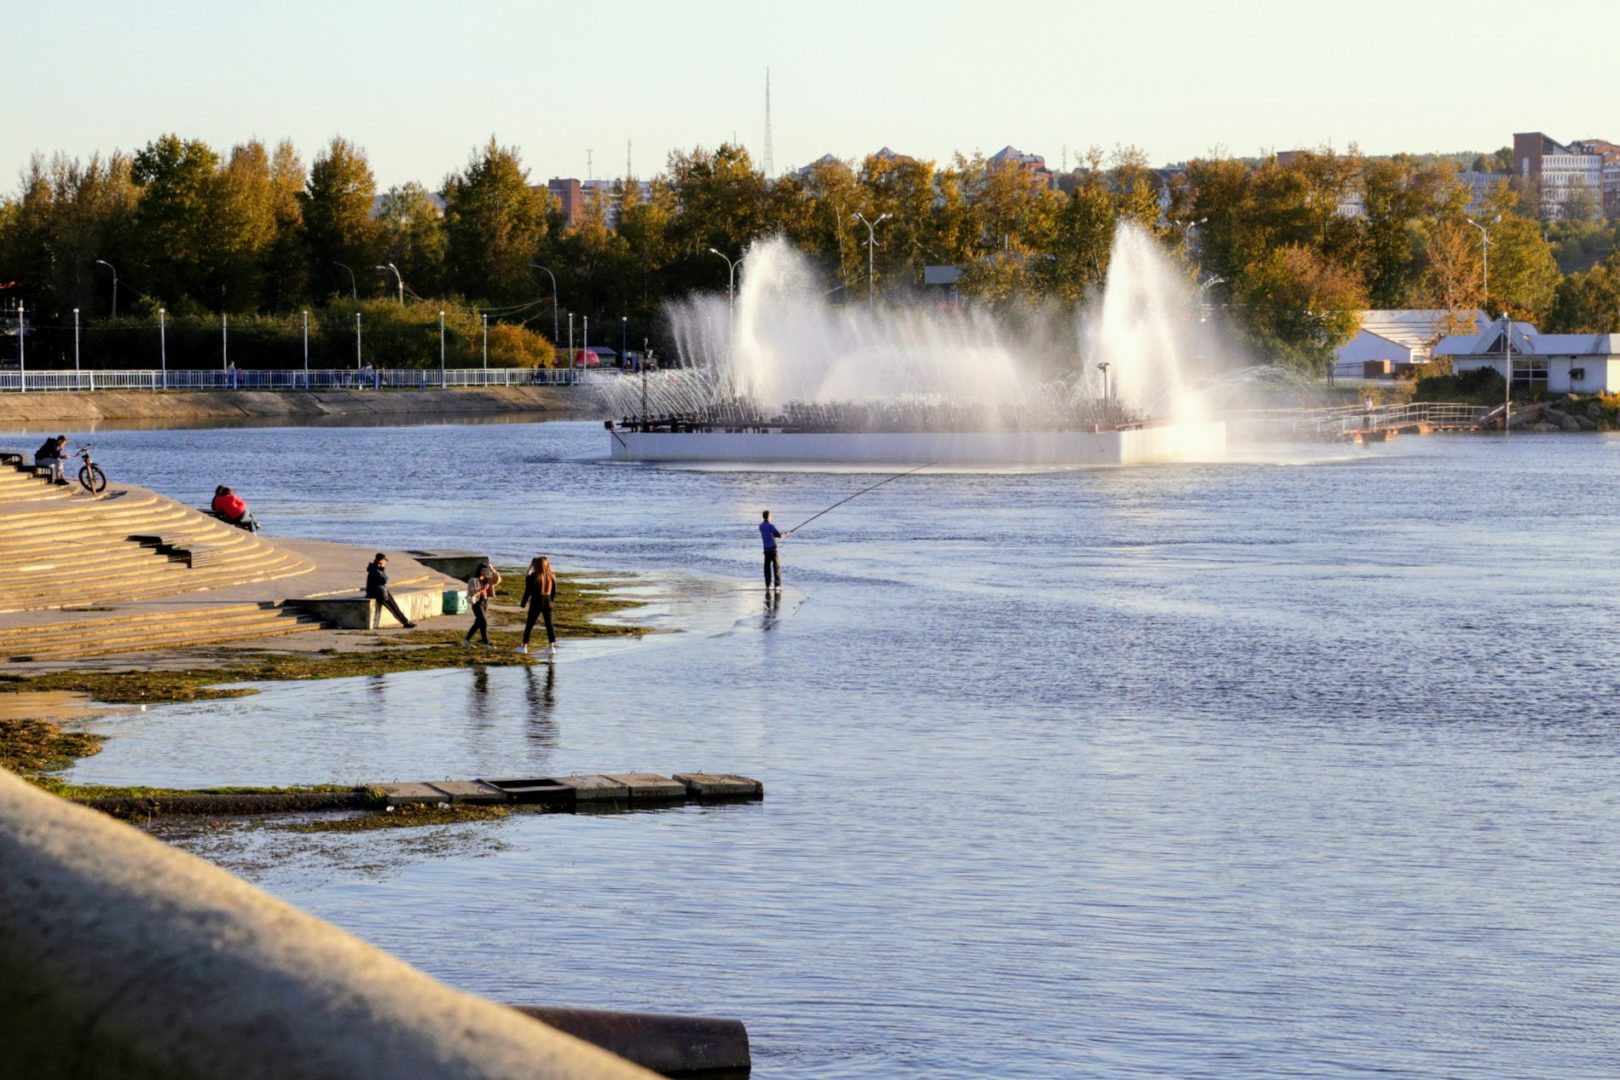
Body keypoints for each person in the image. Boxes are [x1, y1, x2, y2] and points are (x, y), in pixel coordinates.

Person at [517, 555, 557, 659]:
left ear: (535, 566)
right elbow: (553, 592)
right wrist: (551, 601)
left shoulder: (532, 577)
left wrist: (523, 603)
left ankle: (524, 646)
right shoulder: (551, 576)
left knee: (530, 624)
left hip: (536, 601)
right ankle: (551, 647)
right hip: (547, 601)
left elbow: (527, 591)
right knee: (549, 624)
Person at [364, 552, 417, 629]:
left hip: (381, 591)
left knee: (395, 607)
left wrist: (381, 569)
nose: (385, 562)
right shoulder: (376, 570)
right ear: (381, 561)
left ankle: (406, 621)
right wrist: (382, 568)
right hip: (378, 593)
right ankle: (405, 622)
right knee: (393, 608)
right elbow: (384, 580)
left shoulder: (375, 568)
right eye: (384, 561)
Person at [463, 563, 500, 648]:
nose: (484, 572)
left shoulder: (488, 579)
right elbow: (471, 592)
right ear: (479, 570)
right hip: (477, 603)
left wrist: (492, 569)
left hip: (485, 603)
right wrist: (482, 589)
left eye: (486, 571)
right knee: (484, 622)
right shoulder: (473, 580)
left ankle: (466, 641)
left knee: (478, 623)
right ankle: (486, 642)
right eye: (483, 570)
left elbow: (497, 580)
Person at [760, 510, 792, 591]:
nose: (772, 517)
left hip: (766, 550)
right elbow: (778, 535)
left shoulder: (761, 526)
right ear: (769, 516)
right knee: (776, 568)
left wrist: (783, 534)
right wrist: (786, 534)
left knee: (767, 568)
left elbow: (771, 534)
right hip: (773, 550)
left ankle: (767, 585)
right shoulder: (771, 526)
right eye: (771, 516)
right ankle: (777, 585)